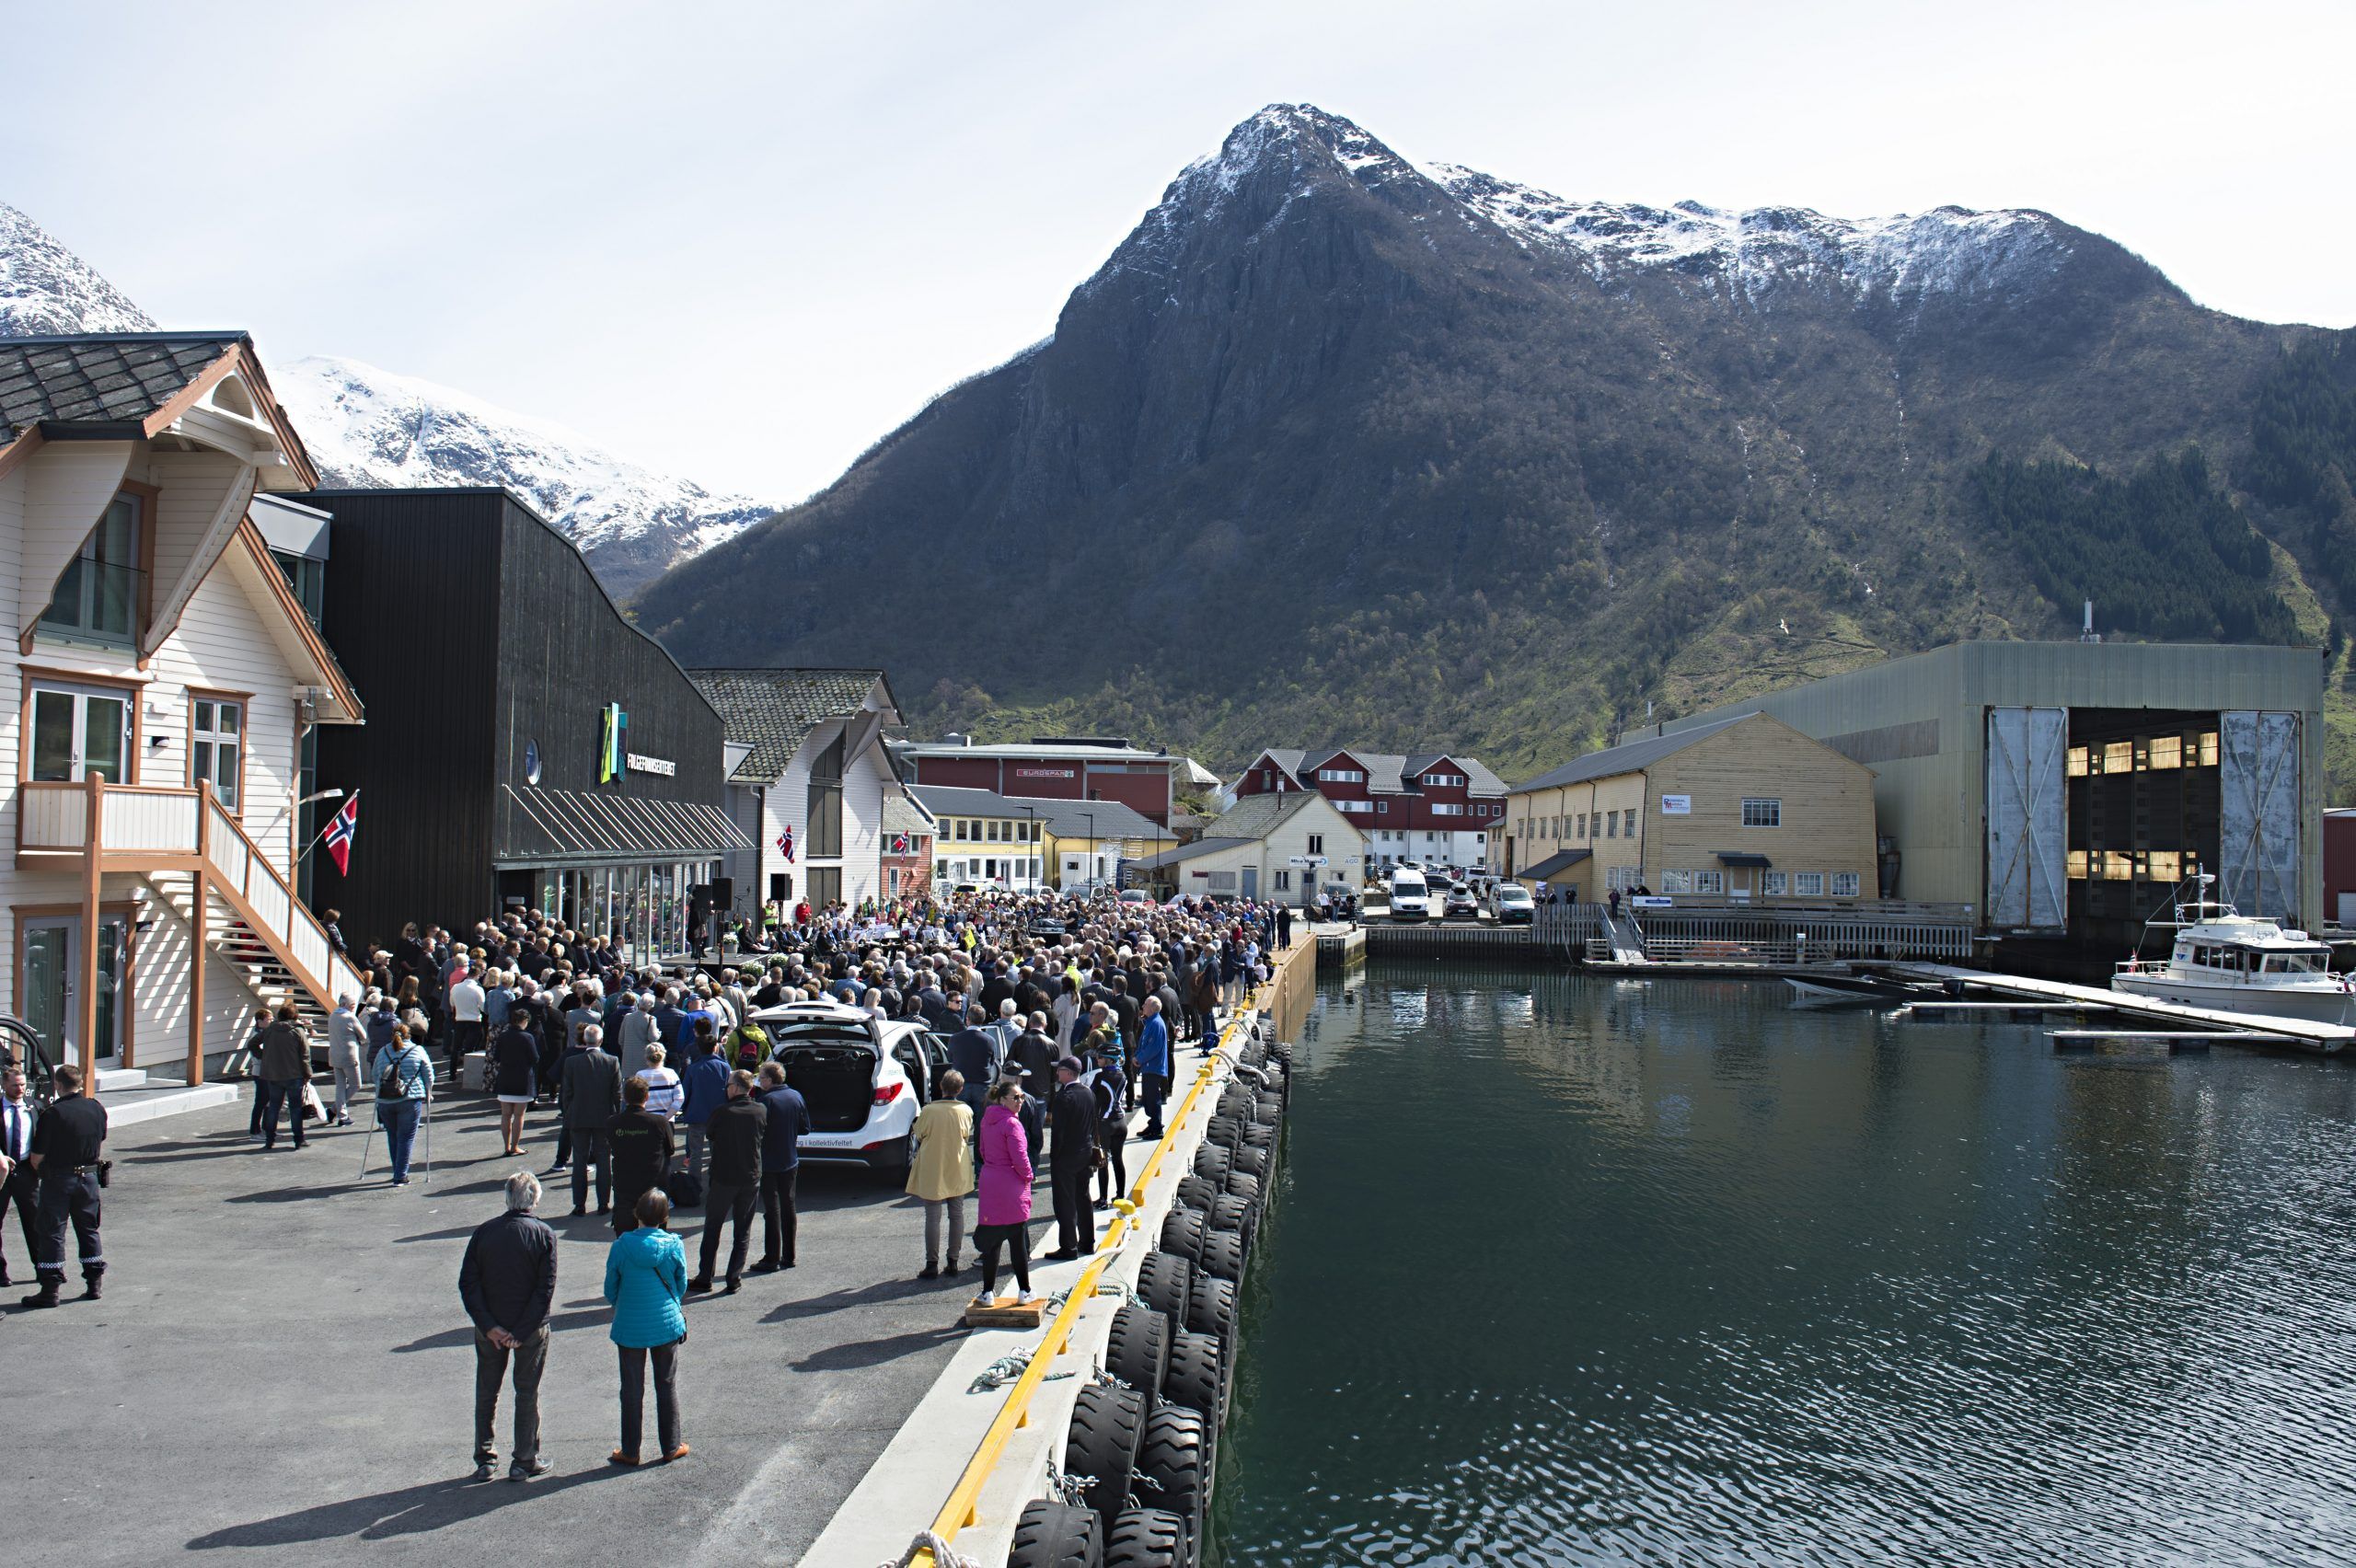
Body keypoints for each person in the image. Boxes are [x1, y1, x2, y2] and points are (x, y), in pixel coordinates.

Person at [458, 1171, 557, 1483]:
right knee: (527, 1392)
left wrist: (489, 1325)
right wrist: (522, 1330)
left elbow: (468, 1283)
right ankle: (524, 1460)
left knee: (487, 1391)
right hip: (530, 1330)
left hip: (491, 1328)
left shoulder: (485, 1232)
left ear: (507, 1198)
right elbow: (544, 1289)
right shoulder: (543, 1234)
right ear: (534, 1199)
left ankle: (485, 1459)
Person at [603, 1189, 689, 1467]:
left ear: (637, 1214)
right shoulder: (674, 1245)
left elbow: (610, 1288)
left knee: (631, 1389)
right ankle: (671, 1446)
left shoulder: (621, 1246)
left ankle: (631, 1450)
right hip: (665, 1324)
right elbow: (681, 1283)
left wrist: (623, 1303)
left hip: (630, 1325)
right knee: (666, 1384)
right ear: (664, 1217)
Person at [19, 1063, 105, 1308]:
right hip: (89, 1178)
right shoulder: (96, 1108)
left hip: (59, 1179)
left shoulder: (53, 1114)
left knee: (52, 1232)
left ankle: (50, 1290)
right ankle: (94, 1284)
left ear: (57, 1085)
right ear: (80, 1083)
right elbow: (101, 1138)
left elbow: (37, 1157)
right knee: (89, 1229)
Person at [691, 1069, 765, 1294]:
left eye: (728, 1085)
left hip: (724, 1177)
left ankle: (705, 1276)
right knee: (742, 1230)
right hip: (750, 1176)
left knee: (713, 1227)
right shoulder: (760, 1110)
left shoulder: (722, 1112)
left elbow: (711, 1135)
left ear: (736, 1088)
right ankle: (734, 1278)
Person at [972, 1079, 1034, 1306]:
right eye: (1015, 1097)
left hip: (990, 1181)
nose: (1020, 1101)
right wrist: (1029, 1175)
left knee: (992, 1241)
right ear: (1002, 1100)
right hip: (1011, 1184)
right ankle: (1024, 1290)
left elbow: (981, 1150)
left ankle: (988, 1292)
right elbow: (1020, 1157)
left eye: (1022, 1097)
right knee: (1017, 1242)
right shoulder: (1012, 1124)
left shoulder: (986, 1120)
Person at [907, 1068, 973, 1280]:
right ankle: (953, 1260)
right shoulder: (966, 1110)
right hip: (957, 1166)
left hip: (933, 1166)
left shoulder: (929, 1111)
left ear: (941, 1087)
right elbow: (967, 1134)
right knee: (957, 1213)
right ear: (960, 1089)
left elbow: (919, 1133)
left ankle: (931, 1263)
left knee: (933, 1217)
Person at [560, 1023, 624, 1216]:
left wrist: (569, 1112)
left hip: (578, 1117)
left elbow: (567, 1093)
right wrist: (617, 1116)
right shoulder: (611, 1061)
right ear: (601, 1041)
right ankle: (603, 1203)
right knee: (604, 1161)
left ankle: (579, 1204)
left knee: (579, 1161)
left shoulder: (572, 1062)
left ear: (584, 1040)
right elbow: (617, 1093)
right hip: (604, 1118)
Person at [751, 1062, 805, 1274]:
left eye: (761, 1078)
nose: (759, 1081)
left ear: (770, 1080)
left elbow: (757, 1131)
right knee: (788, 1206)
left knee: (772, 1210)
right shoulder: (796, 1096)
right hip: (790, 1159)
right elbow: (805, 1127)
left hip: (769, 1162)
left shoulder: (766, 1101)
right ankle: (789, 1256)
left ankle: (772, 1257)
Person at [1045, 1055, 1096, 1262]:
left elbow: (1058, 1132)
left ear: (1068, 1073)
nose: (1057, 1073)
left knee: (1065, 1202)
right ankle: (1088, 1242)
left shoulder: (1064, 1097)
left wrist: (1054, 1156)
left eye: (1060, 1070)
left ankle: (1068, 1247)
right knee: (1083, 1197)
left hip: (1066, 1156)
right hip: (1085, 1151)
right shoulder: (1088, 1092)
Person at [606, 1078, 675, 1233]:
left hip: (625, 1183)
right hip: (653, 1184)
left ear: (625, 1098)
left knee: (624, 1233)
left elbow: (611, 1144)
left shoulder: (613, 1122)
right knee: (656, 1234)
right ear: (647, 1097)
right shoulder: (659, 1122)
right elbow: (670, 1149)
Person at [373, 1022, 433, 1185]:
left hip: (385, 1100)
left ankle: (397, 1170)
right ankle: (400, 1175)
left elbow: (375, 1074)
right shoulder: (417, 1050)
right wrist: (428, 1092)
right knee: (406, 1137)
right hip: (409, 1098)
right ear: (409, 1035)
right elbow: (428, 1074)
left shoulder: (383, 1051)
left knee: (392, 1136)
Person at [253, 1005, 313, 1153]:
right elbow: (305, 1055)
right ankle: (298, 1140)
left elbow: (252, 1044)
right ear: (295, 1016)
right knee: (295, 1109)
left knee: (273, 1107)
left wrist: (263, 1057)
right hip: (294, 1075)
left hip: (273, 1075)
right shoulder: (297, 1031)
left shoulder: (270, 1030)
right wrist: (307, 1074)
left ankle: (270, 1140)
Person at [0, 1067, 39, 1287]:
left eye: (23, 1084)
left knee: (35, 1223)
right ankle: (0, 1273)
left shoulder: (35, 1107)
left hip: (26, 1171)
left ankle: (44, 1268)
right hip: (1, 1171)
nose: (20, 1089)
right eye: (15, 1085)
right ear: (4, 1085)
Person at [678, 1035, 731, 1186]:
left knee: (696, 1153)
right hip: (719, 1116)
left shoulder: (693, 1068)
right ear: (715, 1047)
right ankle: (716, 1183)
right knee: (717, 1153)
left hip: (696, 1115)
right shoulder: (724, 1067)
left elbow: (685, 1093)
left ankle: (694, 1185)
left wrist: (685, 1109)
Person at [491, 1012, 539, 1158]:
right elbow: (535, 1058)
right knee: (519, 1116)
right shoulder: (527, 1037)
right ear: (524, 1020)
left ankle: (506, 1147)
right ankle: (515, 1146)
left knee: (505, 1115)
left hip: (505, 1077)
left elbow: (496, 1056)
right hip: (522, 1079)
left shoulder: (503, 1036)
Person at [326, 993, 366, 1127]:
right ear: (345, 1005)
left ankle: (339, 1113)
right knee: (356, 1085)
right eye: (352, 1006)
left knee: (340, 1086)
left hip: (334, 1055)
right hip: (349, 1056)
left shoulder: (332, 1015)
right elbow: (363, 1036)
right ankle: (337, 1112)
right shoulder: (350, 1017)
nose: (354, 1008)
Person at [1135, 994, 1171, 1141]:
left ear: (1152, 1008)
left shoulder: (1156, 1024)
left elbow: (1153, 1047)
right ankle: (1153, 1124)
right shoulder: (1151, 1022)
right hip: (1149, 1066)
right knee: (1148, 1099)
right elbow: (1144, 1042)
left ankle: (1157, 1129)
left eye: (1145, 1004)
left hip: (1153, 1067)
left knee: (1153, 1098)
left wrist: (1139, 1058)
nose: (1143, 1006)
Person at [635, 1042, 684, 1121]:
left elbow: (636, 1100)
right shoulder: (671, 1073)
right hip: (667, 1121)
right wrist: (666, 1117)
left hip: (646, 1120)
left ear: (646, 1057)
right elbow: (680, 1098)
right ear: (663, 1056)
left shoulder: (640, 1075)